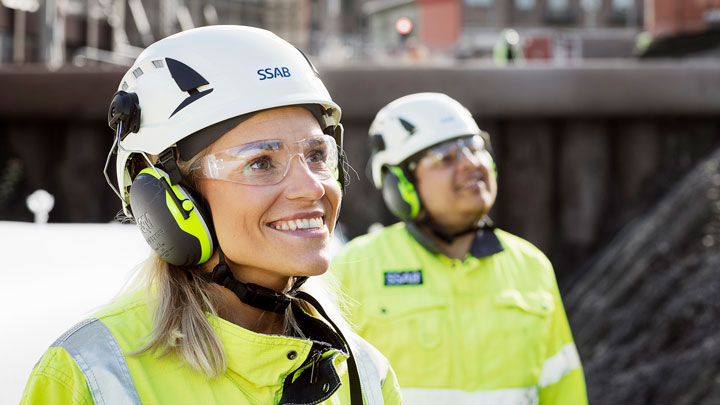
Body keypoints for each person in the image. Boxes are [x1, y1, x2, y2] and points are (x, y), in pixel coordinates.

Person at [21, 26, 401, 405]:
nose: (313, 187)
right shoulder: (88, 376)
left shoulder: (365, 375)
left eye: (317, 155)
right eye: (261, 162)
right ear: (168, 198)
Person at [332, 93, 587, 404]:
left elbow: (563, 387)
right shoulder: (354, 268)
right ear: (402, 184)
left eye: (475, 148)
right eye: (445, 156)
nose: (471, 164)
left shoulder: (532, 266)